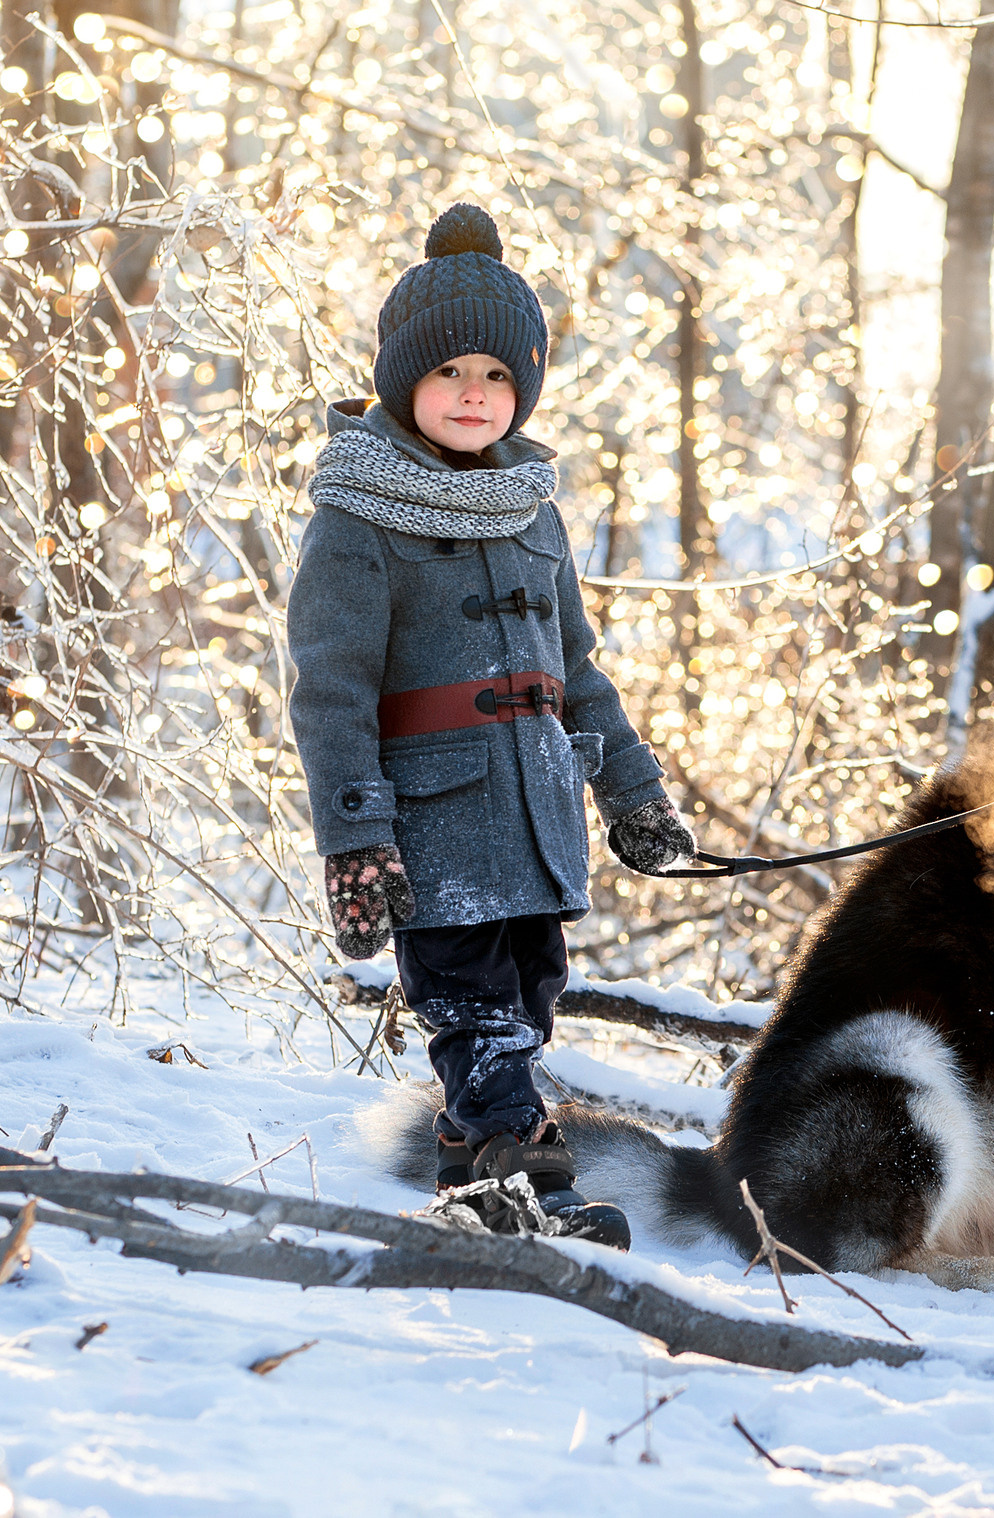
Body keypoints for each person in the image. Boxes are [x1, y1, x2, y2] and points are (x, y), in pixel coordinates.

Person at [286, 202, 696, 1249]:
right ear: (403, 382)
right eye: (451, 374)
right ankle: (536, 1177)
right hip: (431, 820)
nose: (475, 396)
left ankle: (476, 1182)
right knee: (473, 1012)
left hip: (534, 812)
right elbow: (330, 688)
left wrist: (634, 796)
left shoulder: (530, 507)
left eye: (498, 378)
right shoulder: (359, 511)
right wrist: (355, 834)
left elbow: (579, 676)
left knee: (531, 995)